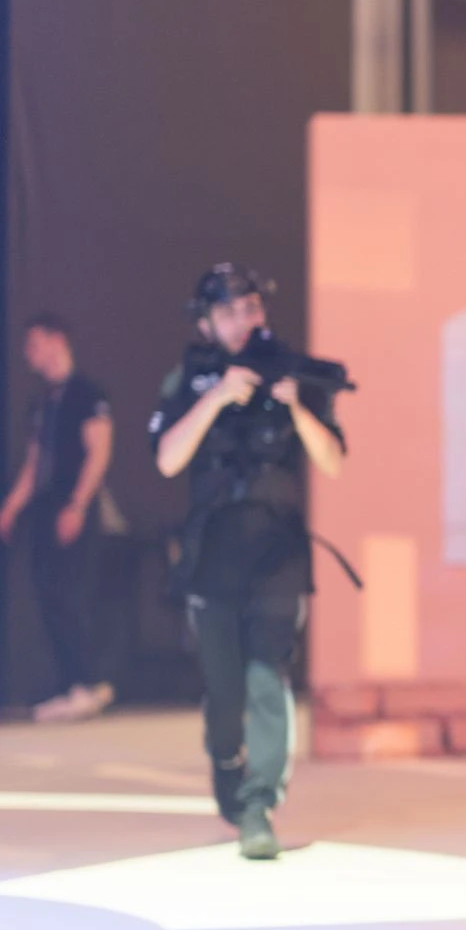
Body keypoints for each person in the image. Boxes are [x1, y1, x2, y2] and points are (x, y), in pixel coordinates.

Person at [149, 265, 345, 860]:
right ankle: (226, 760)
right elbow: (167, 459)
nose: (243, 321)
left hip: (278, 553)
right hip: (212, 556)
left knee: (267, 676)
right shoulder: (187, 379)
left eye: (251, 308)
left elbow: (332, 461)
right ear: (206, 322)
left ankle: (259, 804)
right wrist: (215, 398)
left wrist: (297, 409)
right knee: (225, 689)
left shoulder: (295, 373)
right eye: (229, 311)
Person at [0, 314, 116, 722]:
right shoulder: (43, 401)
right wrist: (13, 505)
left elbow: (99, 452)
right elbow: (35, 461)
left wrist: (78, 505)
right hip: (47, 504)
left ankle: (89, 680)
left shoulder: (87, 394)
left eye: (34, 343)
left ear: (57, 340)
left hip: (73, 500)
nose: (28, 353)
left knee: (68, 593)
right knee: (47, 592)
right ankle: (72, 683)